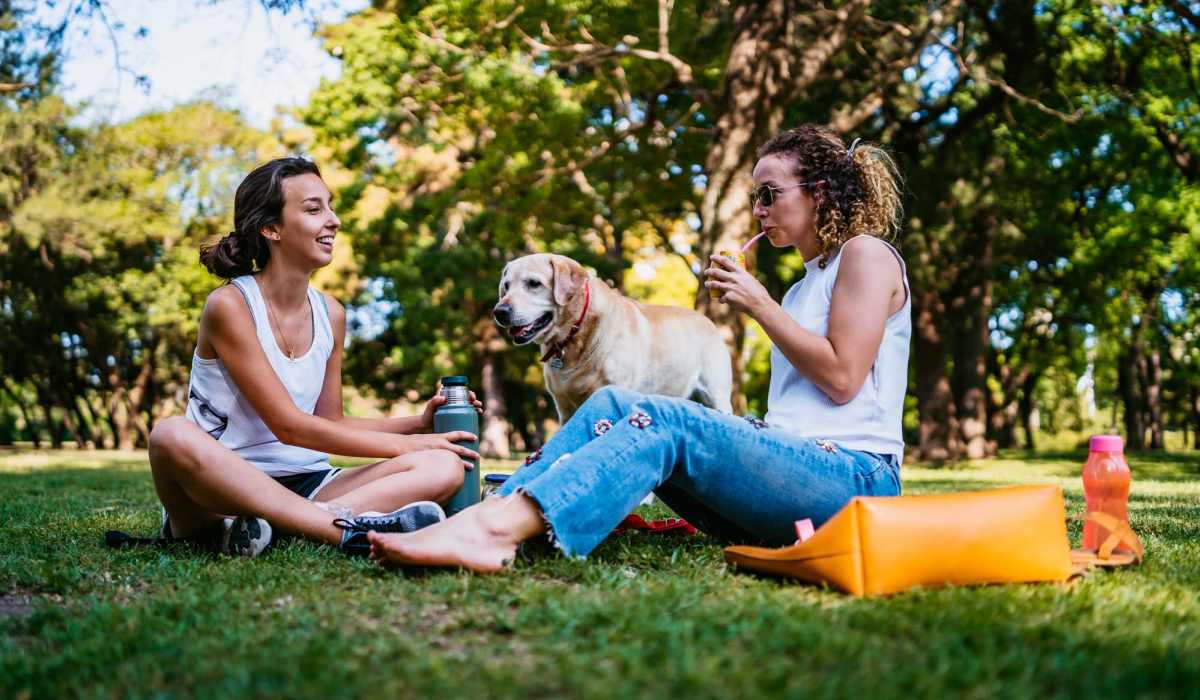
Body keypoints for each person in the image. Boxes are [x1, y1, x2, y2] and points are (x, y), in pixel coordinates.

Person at [368, 124, 910, 573]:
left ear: (819, 191)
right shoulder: (802, 286)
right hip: (792, 484)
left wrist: (760, 306)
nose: (759, 211)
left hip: (854, 481)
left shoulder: (864, 254)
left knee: (665, 419)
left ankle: (491, 532)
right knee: (610, 404)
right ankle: (482, 516)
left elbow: (843, 379)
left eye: (770, 194)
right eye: (754, 198)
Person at [148, 157, 482, 557]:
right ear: (271, 229)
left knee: (443, 467)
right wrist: (407, 447)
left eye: (330, 205)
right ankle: (341, 529)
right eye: (313, 209)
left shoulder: (332, 314)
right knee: (169, 435)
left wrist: (416, 426)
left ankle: (277, 528)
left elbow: (329, 422)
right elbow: (289, 426)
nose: (334, 220)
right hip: (220, 489)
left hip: (310, 480)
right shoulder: (230, 305)